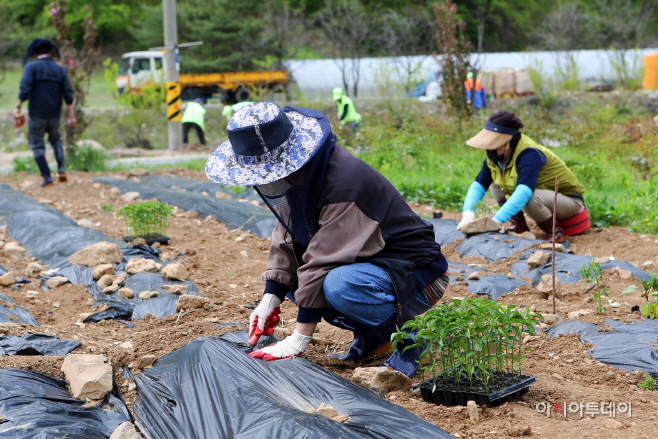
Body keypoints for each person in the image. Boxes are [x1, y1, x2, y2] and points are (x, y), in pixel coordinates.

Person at [205, 102, 449, 377]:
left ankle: (410, 341)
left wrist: (299, 339)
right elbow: (284, 237)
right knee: (298, 285)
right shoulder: (300, 176)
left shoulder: (344, 181)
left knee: (337, 285)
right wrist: (271, 296)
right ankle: (376, 337)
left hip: (416, 275)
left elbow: (322, 261)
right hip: (371, 268)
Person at [457, 111, 589, 243]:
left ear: (506, 144)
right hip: (546, 197)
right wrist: (468, 214)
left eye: (492, 146)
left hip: (569, 201)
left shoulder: (529, 154)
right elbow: (478, 185)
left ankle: (553, 232)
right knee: (495, 183)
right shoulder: (497, 158)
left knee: (530, 198)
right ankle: (519, 225)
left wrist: (496, 221)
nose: (488, 150)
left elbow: (524, 192)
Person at [14, 39, 75, 187]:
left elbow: (25, 89)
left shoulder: (31, 68)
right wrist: (71, 116)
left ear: (35, 53)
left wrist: (18, 107)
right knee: (57, 142)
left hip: (36, 115)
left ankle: (47, 177)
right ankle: (61, 170)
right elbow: (68, 94)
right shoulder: (60, 70)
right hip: (54, 115)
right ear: (51, 52)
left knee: (37, 146)